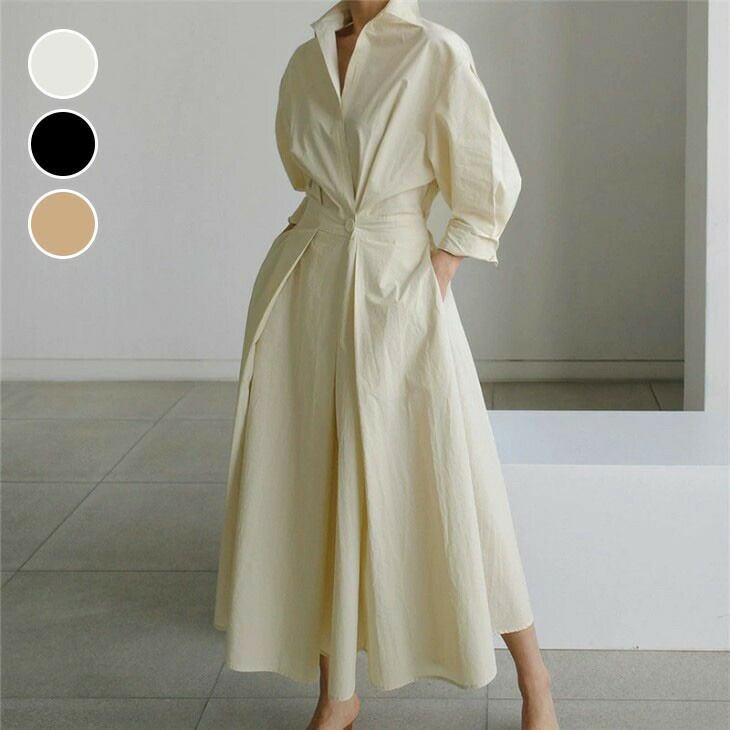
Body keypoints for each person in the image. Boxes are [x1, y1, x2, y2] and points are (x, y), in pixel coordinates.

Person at [213, 1, 560, 728]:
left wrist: (441, 265)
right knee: (315, 485)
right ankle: (336, 695)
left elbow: (490, 178)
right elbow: (300, 169)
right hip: (308, 286)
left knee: (452, 481)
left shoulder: (435, 52)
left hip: (397, 287)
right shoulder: (307, 59)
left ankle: (536, 681)